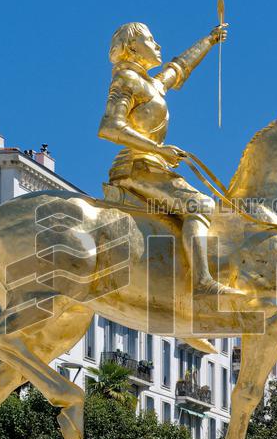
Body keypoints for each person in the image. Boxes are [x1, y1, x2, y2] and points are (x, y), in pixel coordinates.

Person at [97, 21, 241, 297]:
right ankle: (202, 283)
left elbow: (179, 68)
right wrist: (159, 150)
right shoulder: (125, 80)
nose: (158, 45)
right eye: (150, 40)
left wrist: (209, 41)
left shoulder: (150, 85)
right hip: (136, 166)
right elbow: (109, 127)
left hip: (152, 165)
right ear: (131, 48)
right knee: (199, 204)